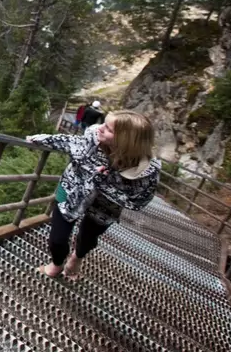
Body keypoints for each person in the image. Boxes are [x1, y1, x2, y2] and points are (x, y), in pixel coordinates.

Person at [27, 110, 161, 280]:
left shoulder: (146, 171)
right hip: (73, 189)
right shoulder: (92, 138)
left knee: (88, 239)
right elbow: (71, 142)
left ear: (126, 139)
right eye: (104, 123)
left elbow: (140, 201)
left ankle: (76, 258)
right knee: (57, 238)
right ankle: (57, 263)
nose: (100, 128)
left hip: (105, 207)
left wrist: (105, 184)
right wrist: (41, 139)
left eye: (109, 129)